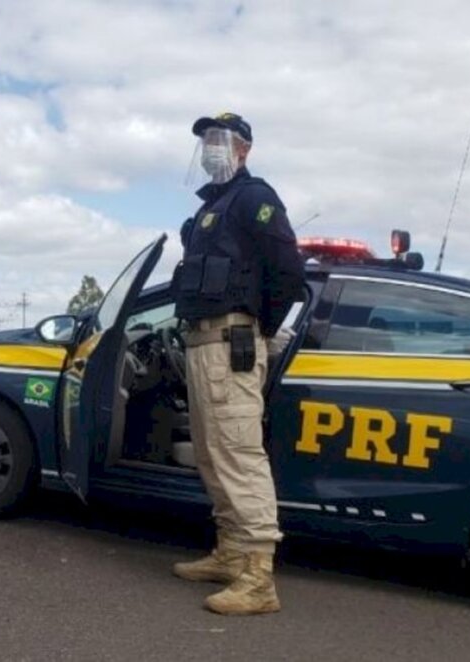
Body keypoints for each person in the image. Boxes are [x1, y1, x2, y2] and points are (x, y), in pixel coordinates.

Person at [170, 113, 305, 615]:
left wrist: (259, 328)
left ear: (244, 149)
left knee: (239, 456)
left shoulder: (254, 198)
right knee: (211, 453)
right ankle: (230, 555)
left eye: (219, 139)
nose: (210, 147)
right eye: (206, 139)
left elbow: (289, 272)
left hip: (232, 343)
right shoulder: (214, 207)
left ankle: (258, 578)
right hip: (205, 344)